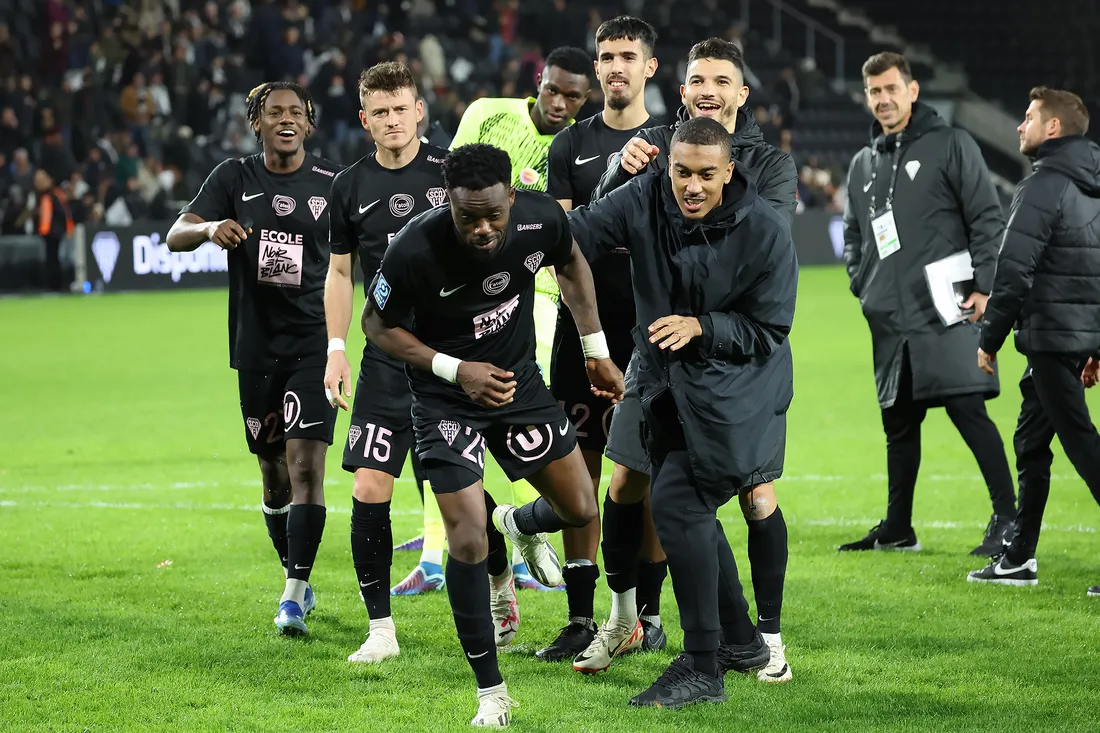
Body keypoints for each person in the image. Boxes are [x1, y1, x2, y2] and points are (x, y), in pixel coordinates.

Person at [362, 143, 622, 727]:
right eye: (467, 217)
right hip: (446, 397)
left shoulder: (541, 217)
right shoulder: (414, 248)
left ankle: (515, 522)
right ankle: (491, 693)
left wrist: (596, 350)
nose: (482, 229)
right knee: (467, 543)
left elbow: (573, 261)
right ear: (447, 204)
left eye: (493, 215)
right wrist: (457, 371)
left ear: (512, 197)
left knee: (581, 509)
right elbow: (375, 324)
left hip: (517, 386)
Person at [588, 36, 797, 684]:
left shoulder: (769, 168)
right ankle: (632, 617)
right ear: (682, 90)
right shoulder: (654, 149)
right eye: (698, 79)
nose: (708, 89)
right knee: (628, 483)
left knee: (750, 494)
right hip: (657, 356)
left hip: (731, 364)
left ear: (741, 93)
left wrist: (702, 319)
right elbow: (602, 220)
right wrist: (620, 171)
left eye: (721, 80)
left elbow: (759, 277)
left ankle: (762, 635)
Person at [396, 45, 593, 593]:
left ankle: (527, 530)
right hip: (467, 286)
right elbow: (453, 185)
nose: (559, 103)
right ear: (539, 81)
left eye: (573, 96)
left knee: (522, 399)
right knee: (450, 418)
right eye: (553, 89)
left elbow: (567, 234)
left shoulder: (575, 144)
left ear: (585, 99)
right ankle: (447, 543)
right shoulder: (487, 112)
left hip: (539, 289)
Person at [165, 82, 341, 636]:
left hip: (315, 342)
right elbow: (175, 234)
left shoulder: (333, 183)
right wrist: (208, 227)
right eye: (274, 112)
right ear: (256, 122)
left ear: (309, 125)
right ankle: (299, 577)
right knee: (273, 477)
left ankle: (291, 594)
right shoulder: (233, 178)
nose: (286, 119)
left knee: (306, 466)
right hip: (256, 347)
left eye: (296, 113)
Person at [839, 52, 1016, 556]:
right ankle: (898, 528)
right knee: (899, 424)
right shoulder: (863, 163)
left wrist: (984, 286)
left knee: (967, 408)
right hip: (890, 317)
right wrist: (862, 282)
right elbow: (853, 233)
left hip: (949, 308)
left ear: (913, 90)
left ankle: (1009, 518)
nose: (884, 99)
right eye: (874, 91)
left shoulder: (952, 144)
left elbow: (987, 218)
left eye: (892, 88)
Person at [537, 15, 662, 663]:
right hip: (582, 333)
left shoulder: (672, 142)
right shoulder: (568, 148)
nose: (614, 66)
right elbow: (562, 245)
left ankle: (650, 612)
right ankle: (581, 617)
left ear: (650, 68)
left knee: (651, 474)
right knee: (580, 478)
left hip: (653, 331)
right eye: (605, 56)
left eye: (626, 56)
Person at [323, 61, 451, 664]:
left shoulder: (451, 173)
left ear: (419, 110)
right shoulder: (349, 185)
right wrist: (337, 347)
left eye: (401, 109)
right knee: (370, 486)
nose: (392, 121)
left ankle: (500, 588)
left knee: (458, 494)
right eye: (380, 112)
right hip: (384, 360)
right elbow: (342, 272)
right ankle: (380, 630)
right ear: (364, 120)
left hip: (448, 362)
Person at [967, 87, 1100, 592]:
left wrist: (990, 336)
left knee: (1082, 444)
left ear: (1053, 129)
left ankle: (1019, 554)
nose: (1019, 126)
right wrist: (1096, 346)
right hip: (1073, 339)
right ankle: (1019, 556)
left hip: (1048, 338)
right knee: (1031, 441)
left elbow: (1015, 270)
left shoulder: (1042, 187)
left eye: (1028, 118)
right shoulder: (1092, 186)